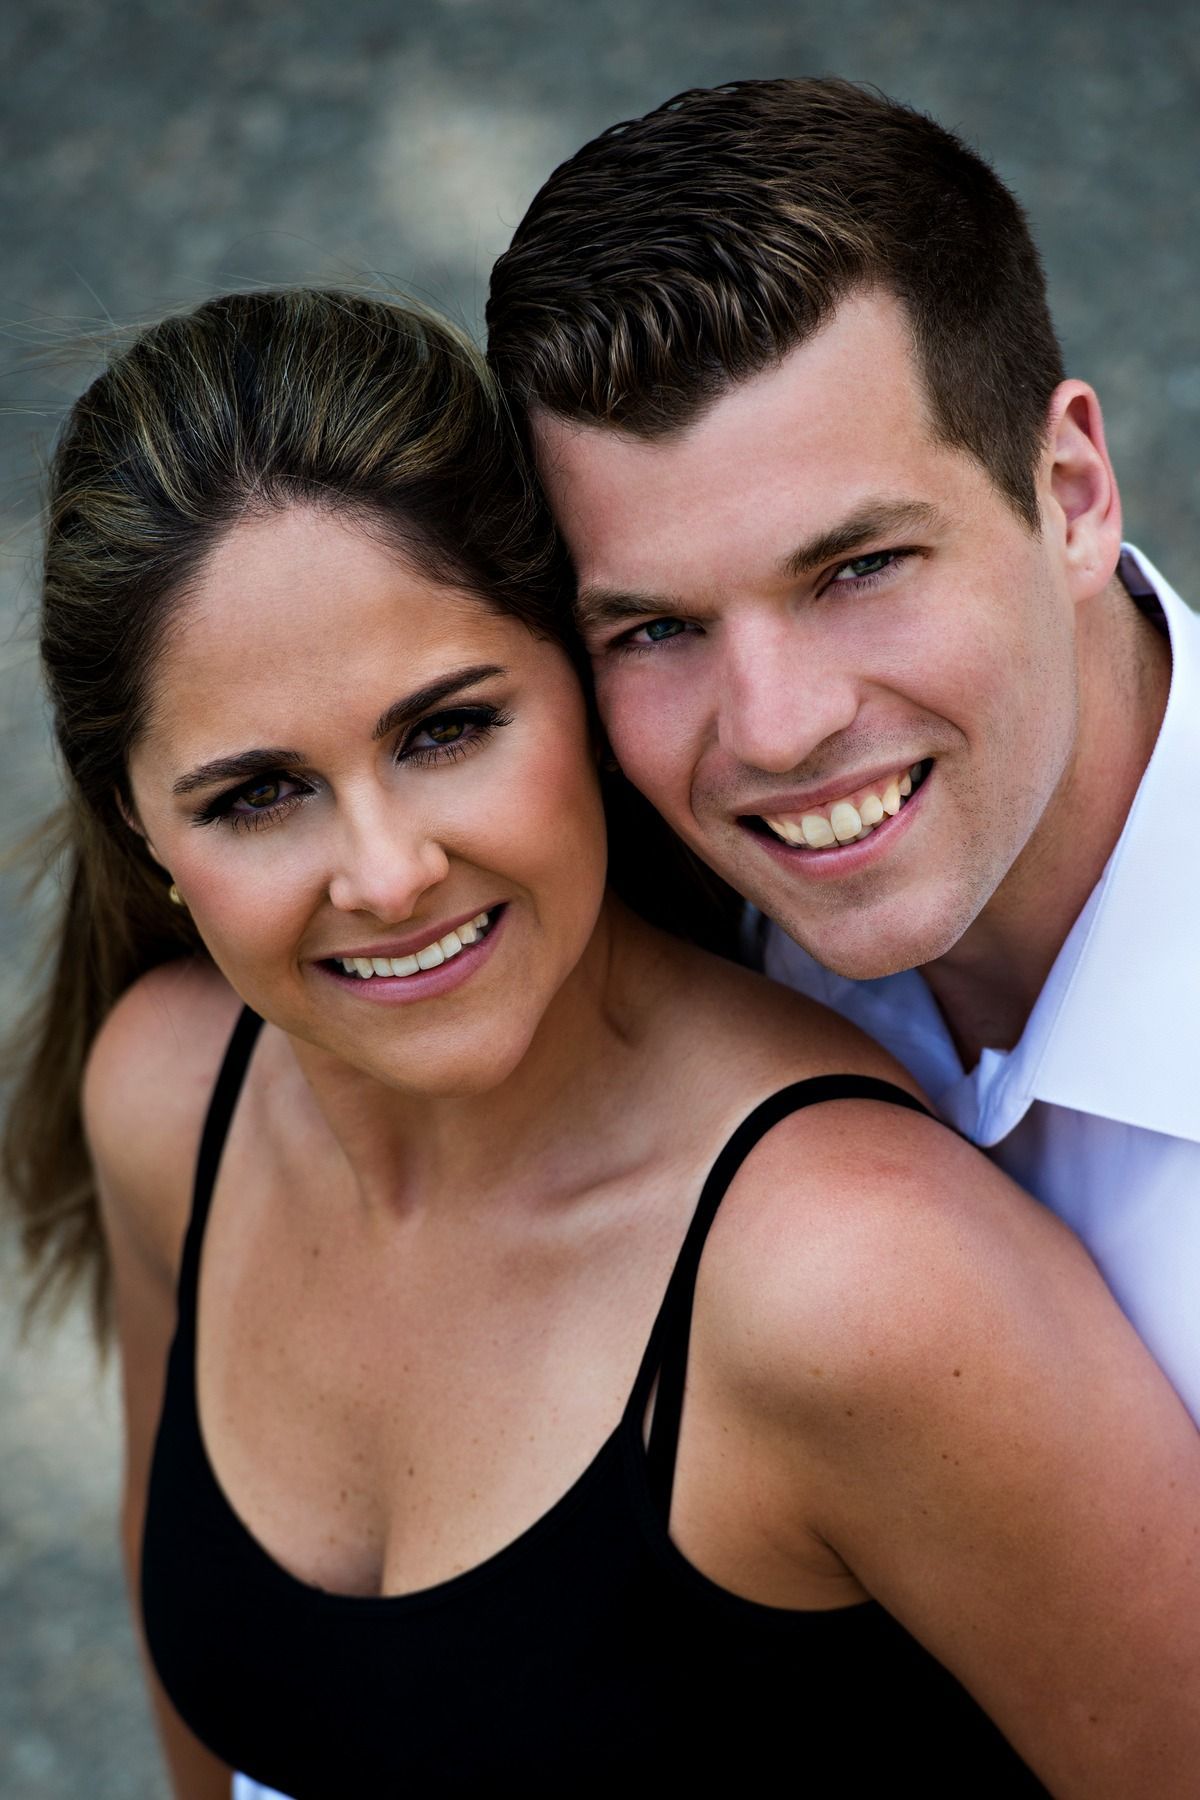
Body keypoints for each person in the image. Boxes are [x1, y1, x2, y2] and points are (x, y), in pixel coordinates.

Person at [7, 287, 1200, 1800]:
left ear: (584, 690)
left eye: (445, 730)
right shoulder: (169, 1099)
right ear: (144, 831)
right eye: (256, 795)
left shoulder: (861, 1278)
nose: (383, 874)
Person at [486, 76, 1200, 1423]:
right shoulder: (618, 915)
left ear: (1071, 496)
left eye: (860, 567)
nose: (774, 728)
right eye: (653, 629)